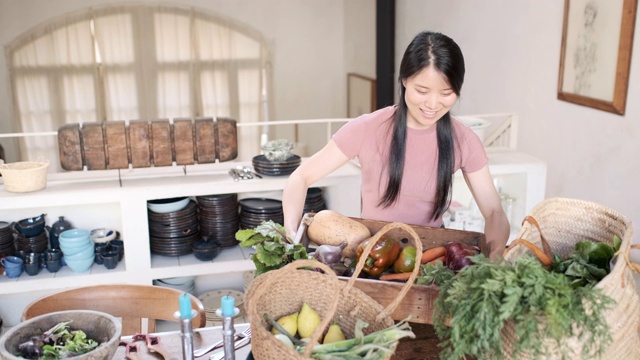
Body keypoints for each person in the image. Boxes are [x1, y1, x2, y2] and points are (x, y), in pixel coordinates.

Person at [282, 31, 509, 260]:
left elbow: (494, 212)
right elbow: (301, 177)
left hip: (432, 259)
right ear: (404, 80)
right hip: (373, 254)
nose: (432, 104)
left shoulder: (465, 140)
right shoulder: (367, 128)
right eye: (422, 91)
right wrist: (292, 233)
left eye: (446, 93)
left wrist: (496, 254)